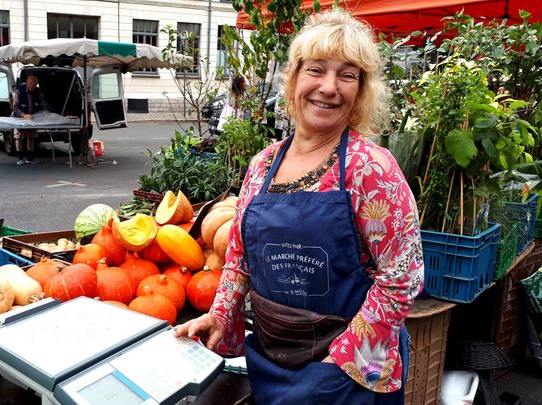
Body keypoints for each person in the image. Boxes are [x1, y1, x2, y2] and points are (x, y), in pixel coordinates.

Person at [174, 9, 423, 404]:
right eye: (316, 70)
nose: (328, 87)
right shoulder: (262, 166)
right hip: (272, 360)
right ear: (293, 80)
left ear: (360, 91)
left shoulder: (369, 169)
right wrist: (220, 315)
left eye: (347, 75)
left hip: (346, 374)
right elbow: (240, 258)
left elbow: (402, 278)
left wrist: (339, 363)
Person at [12, 74, 44, 165]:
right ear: (26, 82)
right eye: (29, 84)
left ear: (36, 84)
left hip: (32, 118)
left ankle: (30, 158)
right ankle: (19, 158)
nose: (31, 86)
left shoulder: (38, 91)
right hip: (19, 117)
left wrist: (43, 115)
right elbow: (15, 106)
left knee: (31, 137)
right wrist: (23, 114)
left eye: (33, 85)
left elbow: (41, 105)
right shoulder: (20, 90)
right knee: (19, 137)